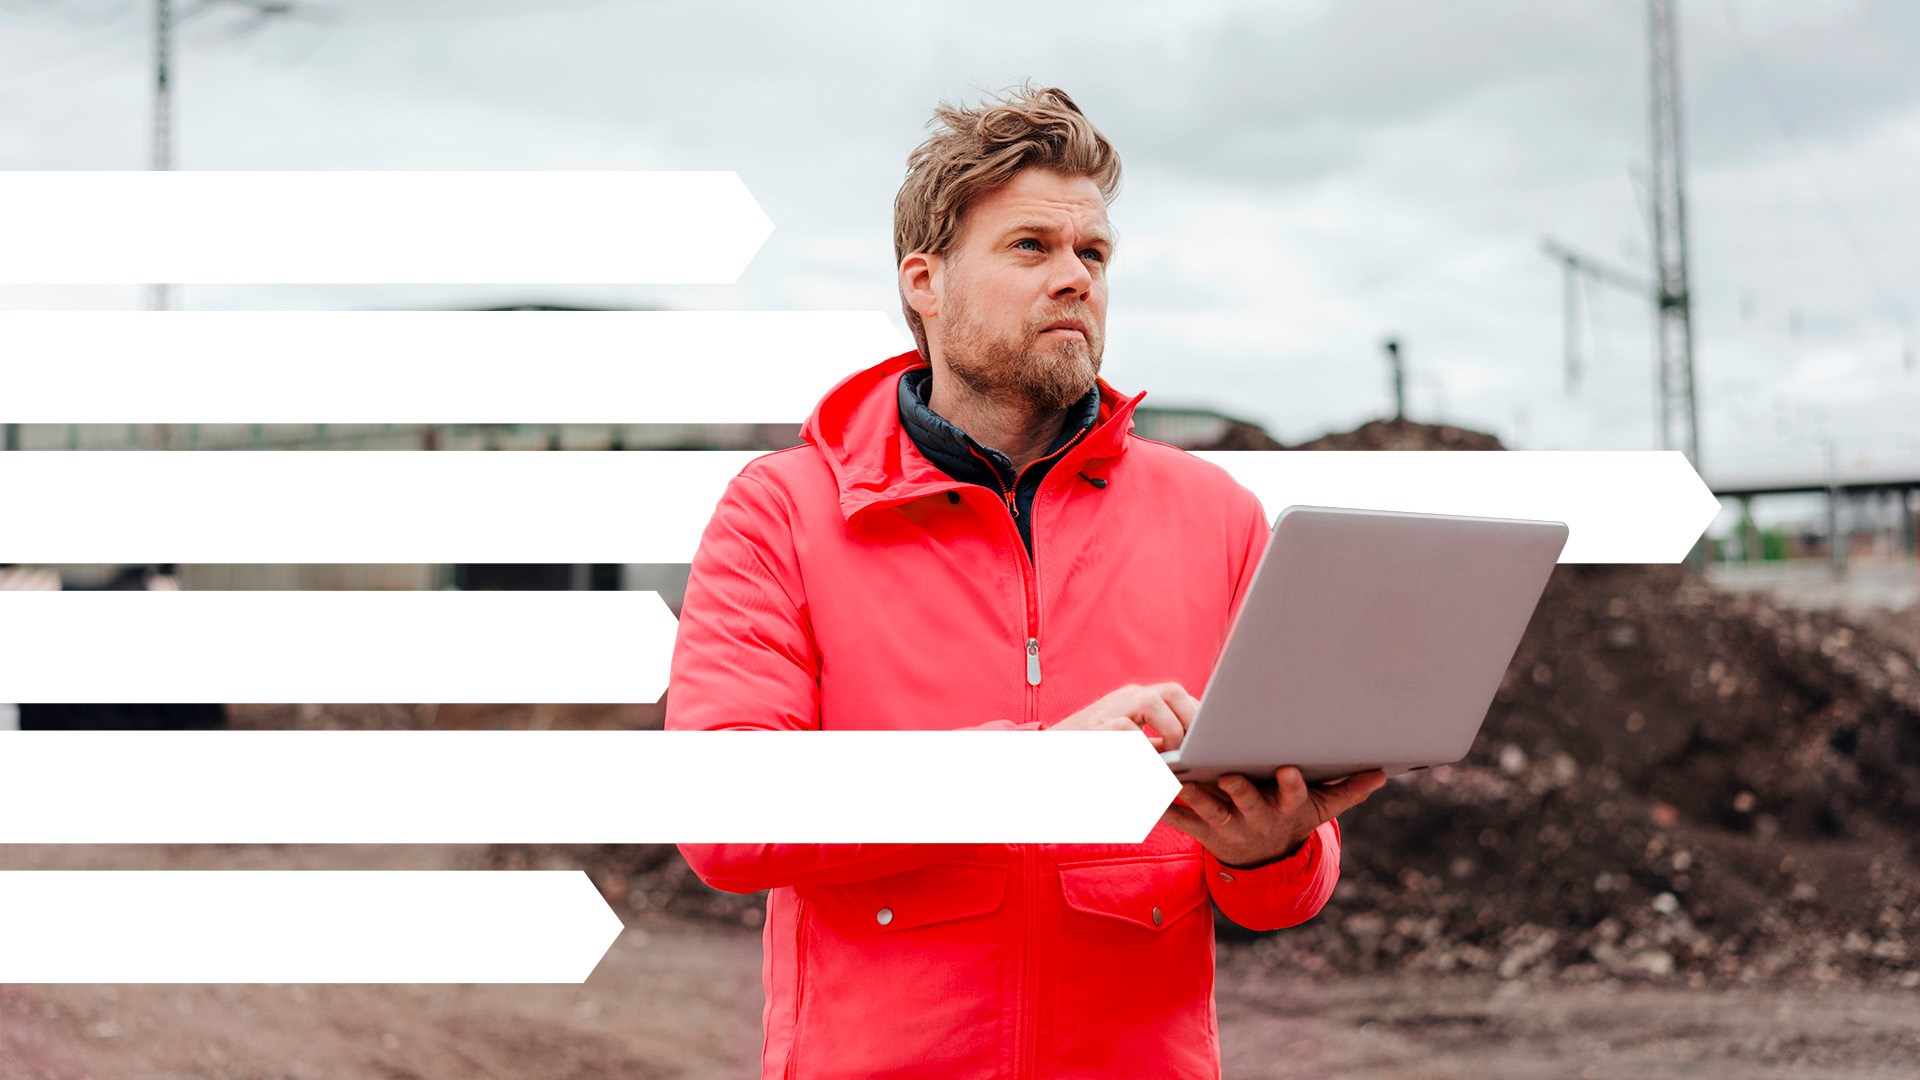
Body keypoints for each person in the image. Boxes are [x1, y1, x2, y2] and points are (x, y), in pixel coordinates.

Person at [668, 82, 1386, 1079]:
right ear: (924, 281)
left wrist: (1272, 847)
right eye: (1030, 248)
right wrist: (1031, 771)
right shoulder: (783, 512)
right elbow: (725, 818)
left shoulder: (1216, 516)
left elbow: (1277, 897)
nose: (1075, 279)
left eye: (1093, 254)